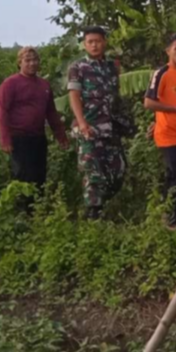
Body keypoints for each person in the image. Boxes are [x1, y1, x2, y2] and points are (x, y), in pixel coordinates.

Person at [68, 26, 129, 219]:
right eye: (90, 42)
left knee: (118, 172)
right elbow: (74, 96)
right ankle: (93, 216)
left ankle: (100, 205)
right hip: (89, 128)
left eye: (98, 41)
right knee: (93, 174)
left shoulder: (112, 67)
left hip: (111, 128)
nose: (94, 45)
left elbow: (117, 97)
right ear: (85, 45)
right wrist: (82, 123)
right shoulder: (77, 68)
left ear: (105, 42)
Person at [0, 46, 70, 196]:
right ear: (20, 63)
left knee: (39, 175)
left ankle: (38, 212)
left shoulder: (44, 85)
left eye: (35, 60)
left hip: (38, 137)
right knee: (23, 176)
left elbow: (51, 112)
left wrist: (60, 135)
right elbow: (2, 111)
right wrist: (5, 139)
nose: (32, 63)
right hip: (19, 138)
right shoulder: (10, 84)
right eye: (27, 60)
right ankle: (23, 212)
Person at [144, 34, 176, 229]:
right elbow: (149, 102)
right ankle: (173, 221)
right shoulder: (162, 73)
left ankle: (165, 215)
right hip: (167, 134)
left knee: (174, 176)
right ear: (168, 51)